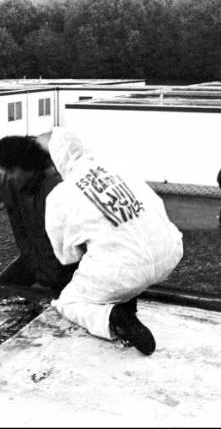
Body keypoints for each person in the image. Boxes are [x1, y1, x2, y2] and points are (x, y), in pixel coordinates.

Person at [44, 128, 183, 356]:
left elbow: (66, 256)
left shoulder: (60, 195)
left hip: (123, 271)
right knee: (123, 251)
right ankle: (127, 296)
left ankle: (114, 317)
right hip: (171, 252)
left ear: (57, 160)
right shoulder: (119, 167)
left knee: (68, 302)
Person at [0, 135, 78, 297]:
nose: (8, 175)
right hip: (29, 261)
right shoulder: (7, 182)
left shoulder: (56, 189)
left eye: (12, 170)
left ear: (30, 165)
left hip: (64, 271)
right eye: (4, 170)